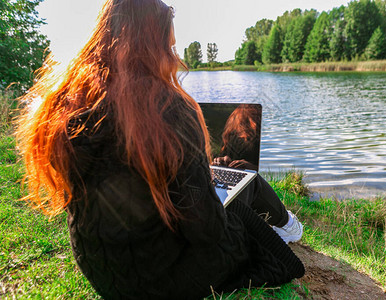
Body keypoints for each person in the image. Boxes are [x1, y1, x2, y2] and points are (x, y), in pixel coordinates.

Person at [17, 0, 304, 299]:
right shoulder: (170, 110)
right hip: (163, 280)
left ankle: (283, 222)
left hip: (102, 272)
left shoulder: (68, 104)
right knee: (246, 186)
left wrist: (190, 173)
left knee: (233, 183)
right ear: (151, 49)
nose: (176, 59)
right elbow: (207, 229)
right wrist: (204, 187)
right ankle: (290, 228)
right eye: (170, 48)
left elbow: (125, 183)